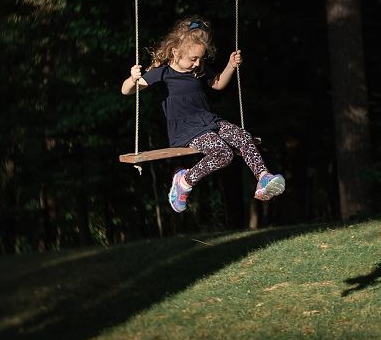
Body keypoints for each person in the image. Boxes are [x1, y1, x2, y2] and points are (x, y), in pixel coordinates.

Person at [121, 18, 284, 212]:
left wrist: (231, 66)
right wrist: (132, 79)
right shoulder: (162, 73)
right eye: (193, 59)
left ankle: (263, 178)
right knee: (223, 153)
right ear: (176, 52)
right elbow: (126, 90)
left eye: (200, 58)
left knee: (243, 136)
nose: (197, 63)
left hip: (208, 120)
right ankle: (184, 182)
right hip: (186, 129)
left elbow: (218, 84)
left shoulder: (198, 70)